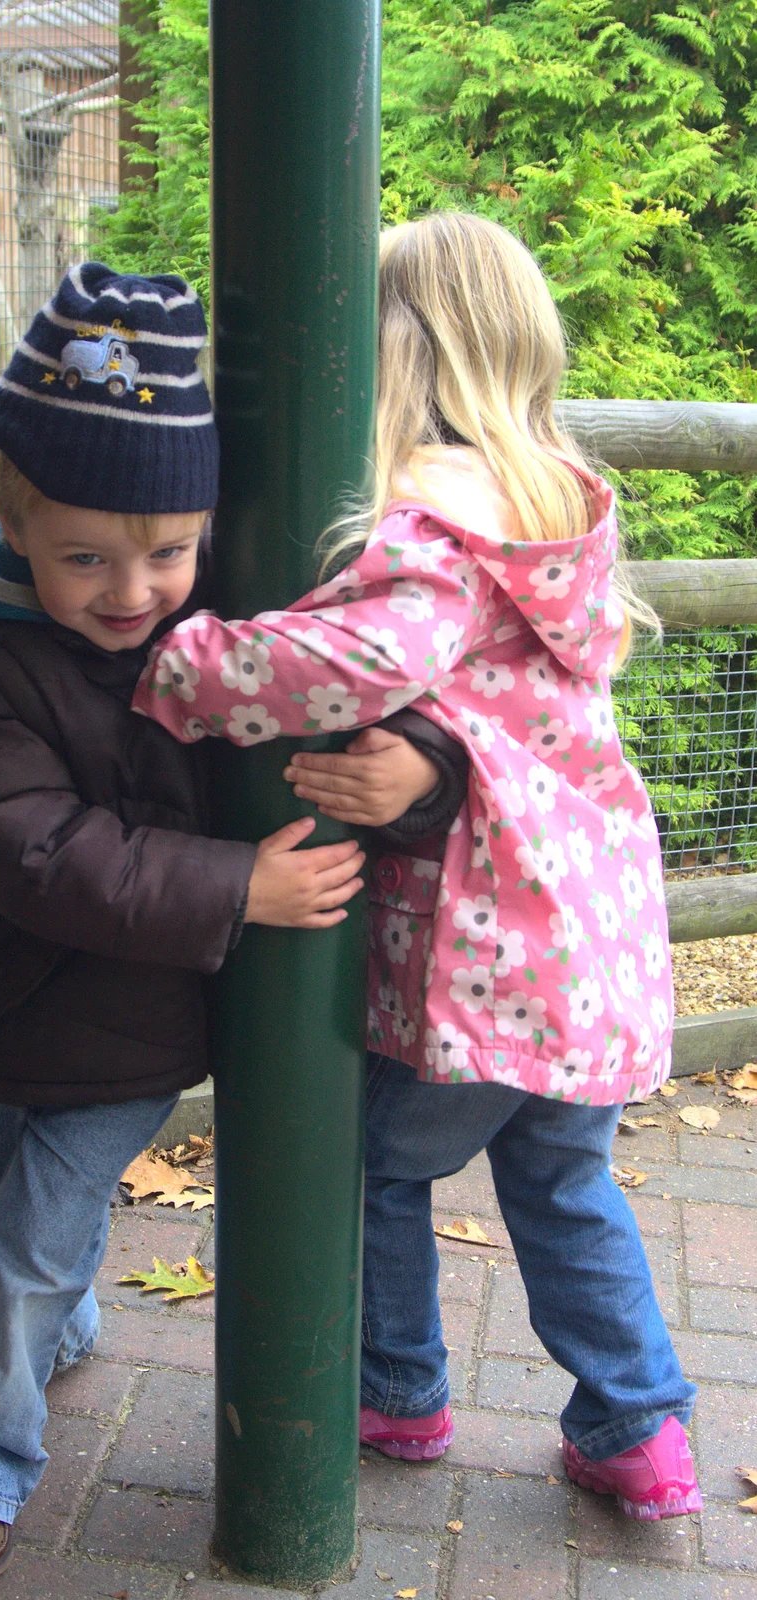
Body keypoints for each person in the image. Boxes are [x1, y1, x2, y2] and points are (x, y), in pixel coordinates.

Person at [0, 263, 464, 1584]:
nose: (133, 588)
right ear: (16, 524)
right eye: (86, 554)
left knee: (28, 1242)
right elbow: (35, 853)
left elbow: (362, 672)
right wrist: (234, 886)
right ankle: (59, 1326)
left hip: (124, 1028)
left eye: (167, 550)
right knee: (19, 1210)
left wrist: (424, 763)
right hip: (0, 995)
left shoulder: (214, 616)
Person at [133, 213, 702, 1523]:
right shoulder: (557, 500)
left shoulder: (433, 519)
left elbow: (358, 661)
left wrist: (175, 663)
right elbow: (518, 715)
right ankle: (638, 1432)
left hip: (491, 961)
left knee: (370, 1170)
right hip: (587, 953)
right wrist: (442, 761)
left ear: (384, 352)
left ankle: (394, 1389)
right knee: (563, 1185)